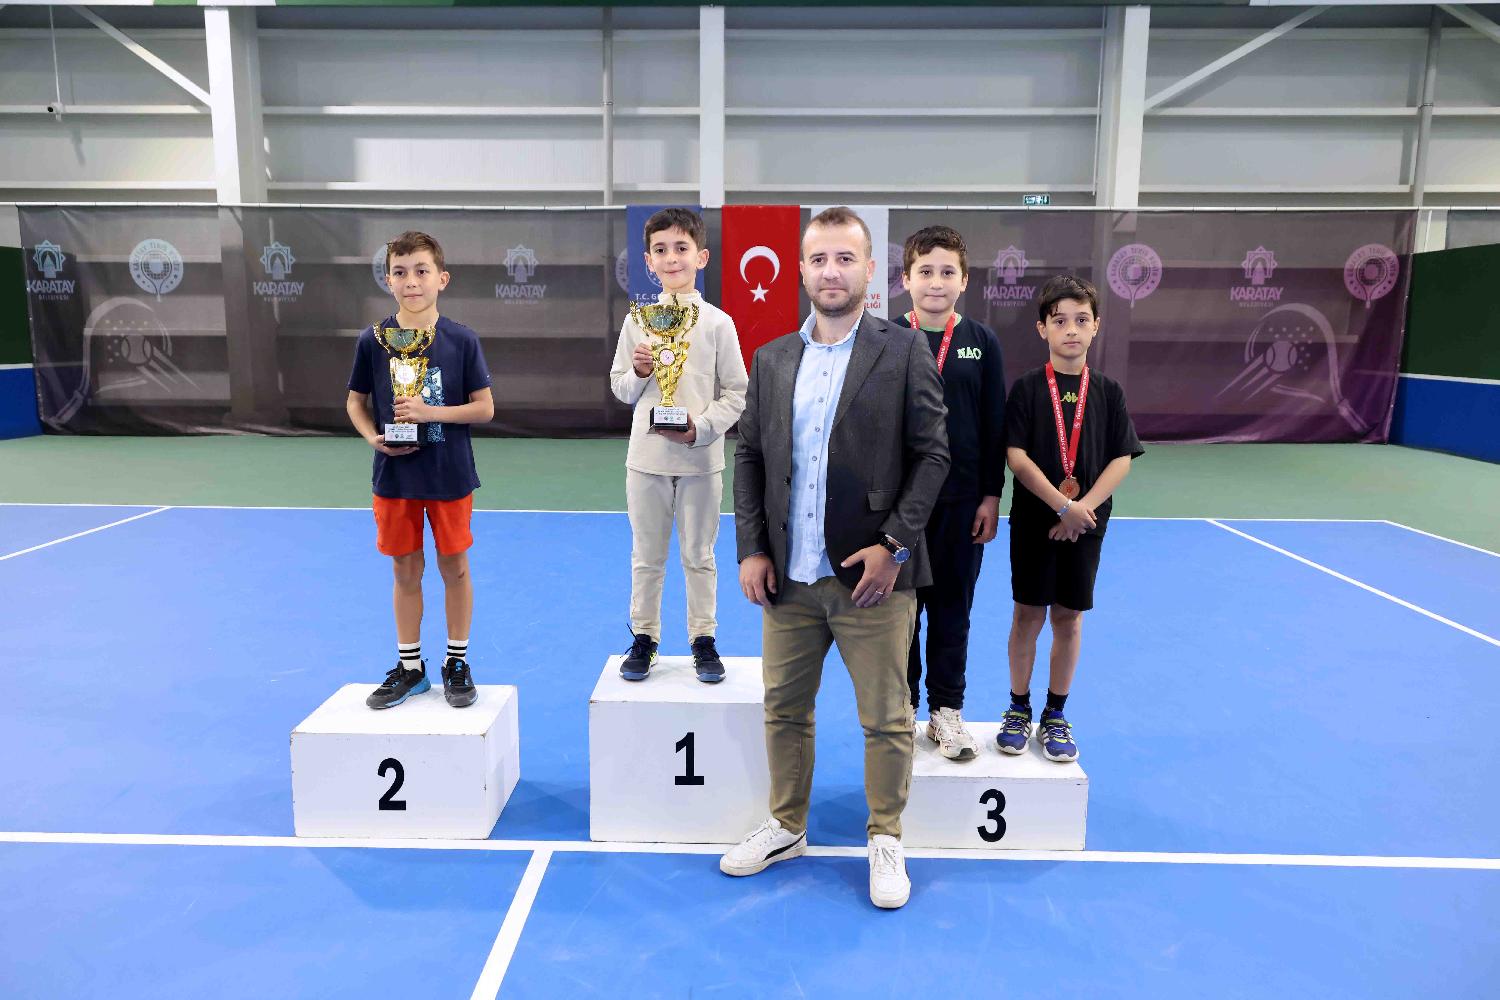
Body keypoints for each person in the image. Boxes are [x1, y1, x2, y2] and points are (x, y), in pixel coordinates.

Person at [722, 207, 949, 909]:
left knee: (886, 718)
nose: (831, 271)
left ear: (870, 270)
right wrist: (752, 548)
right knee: (784, 710)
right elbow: (750, 457)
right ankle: (787, 825)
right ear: (801, 269)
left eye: (845, 259)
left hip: (872, 582)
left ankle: (886, 836)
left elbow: (934, 455)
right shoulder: (771, 359)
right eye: (819, 259)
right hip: (789, 581)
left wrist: (894, 547)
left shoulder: (904, 350)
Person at [345, 231, 495, 710]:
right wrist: (373, 438)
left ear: (441, 279)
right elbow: (355, 402)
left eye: (421, 271)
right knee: (405, 569)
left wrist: (432, 413)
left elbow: (485, 408)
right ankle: (411, 668)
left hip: (449, 474)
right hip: (395, 478)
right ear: (388, 280)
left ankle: (457, 662)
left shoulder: (462, 339)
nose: (411, 281)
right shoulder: (372, 341)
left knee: (455, 567)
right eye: (400, 272)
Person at [1001, 275, 1142, 761]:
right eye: (1060, 321)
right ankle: (1018, 707)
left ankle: (1055, 714)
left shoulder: (1108, 392)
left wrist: (1083, 510)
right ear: (1042, 328)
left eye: (1082, 320)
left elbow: (1122, 458)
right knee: (1027, 614)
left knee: (1068, 616)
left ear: (1096, 326)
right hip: (1034, 522)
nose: (1071, 330)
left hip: (1087, 525)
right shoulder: (1026, 389)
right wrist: (1062, 505)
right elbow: (1016, 457)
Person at [608, 208, 748, 682]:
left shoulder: (718, 323)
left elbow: (737, 393)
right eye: (661, 250)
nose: (672, 258)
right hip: (645, 461)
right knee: (646, 558)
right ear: (648, 261)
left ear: (701, 257)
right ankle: (644, 638)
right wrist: (639, 373)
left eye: (681, 248)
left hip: (701, 462)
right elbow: (620, 387)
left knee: (699, 557)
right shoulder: (638, 321)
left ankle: (703, 639)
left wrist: (700, 429)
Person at [895, 225, 1007, 761]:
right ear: (905, 279)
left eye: (947, 272)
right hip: (902, 506)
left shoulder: (982, 342)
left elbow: (993, 424)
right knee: (902, 611)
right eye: (925, 271)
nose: (935, 282)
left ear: (964, 281)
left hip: (962, 503)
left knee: (952, 609)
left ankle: (945, 709)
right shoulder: (889, 337)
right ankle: (902, 708)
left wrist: (991, 495)